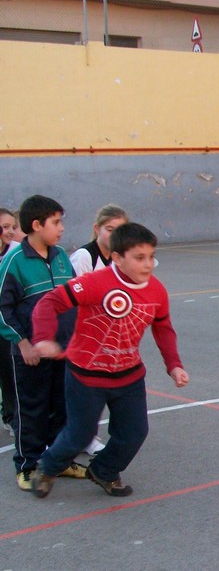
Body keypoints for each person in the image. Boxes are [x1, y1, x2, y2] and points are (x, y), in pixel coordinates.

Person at [29, 222, 189, 499]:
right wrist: (43, 337)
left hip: (128, 375)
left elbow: (163, 328)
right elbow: (48, 303)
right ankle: (47, 467)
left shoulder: (157, 291)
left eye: (151, 256)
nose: (148, 264)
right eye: (139, 258)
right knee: (80, 434)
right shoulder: (95, 282)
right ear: (117, 257)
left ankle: (103, 470)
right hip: (86, 375)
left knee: (135, 433)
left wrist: (173, 364)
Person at [0, 195, 85, 491]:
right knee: (32, 408)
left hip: (62, 351)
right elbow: (3, 308)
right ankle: (27, 464)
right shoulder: (14, 261)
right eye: (56, 222)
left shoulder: (61, 256)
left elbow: (75, 297)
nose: (61, 228)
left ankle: (58, 461)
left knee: (62, 406)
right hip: (29, 352)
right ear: (37, 225)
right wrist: (22, 343)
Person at [69, 204, 131, 456]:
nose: (114, 234)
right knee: (85, 389)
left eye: (120, 230)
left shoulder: (119, 258)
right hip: (82, 333)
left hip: (107, 333)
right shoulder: (84, 257)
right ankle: (81, 436)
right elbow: (75, 297)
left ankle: (85, 434)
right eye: (109, 229)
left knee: (102, 387)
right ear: (96, 229)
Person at [0, 208, 17, 437]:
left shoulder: (15, 253)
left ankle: (11, 415)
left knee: (9, 370)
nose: (10, 231)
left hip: (6, 322)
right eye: (4, 227)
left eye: (12, 227)